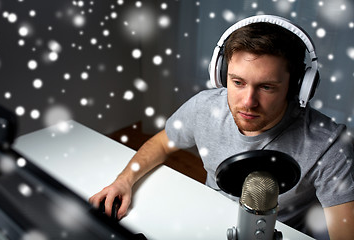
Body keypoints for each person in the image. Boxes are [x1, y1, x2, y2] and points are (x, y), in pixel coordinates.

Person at [90, 15, 354, 239]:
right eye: (237, 82)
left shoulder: (329, 144)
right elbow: (161, 142)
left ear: (298, 87)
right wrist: (123, 181)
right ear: (220, 74)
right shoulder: (204, 107)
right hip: (205, 221)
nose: (248, 102)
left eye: (267, 87)